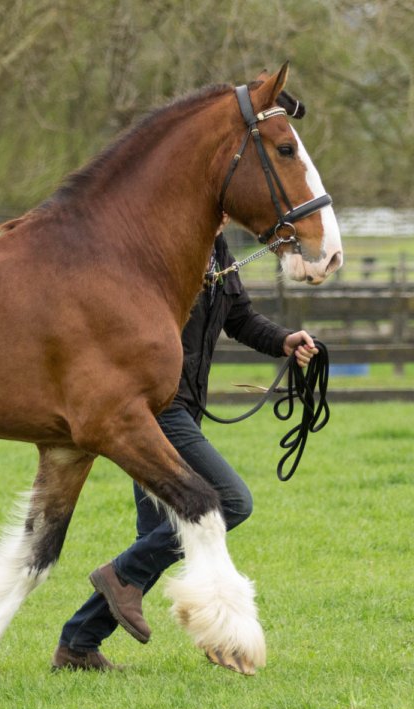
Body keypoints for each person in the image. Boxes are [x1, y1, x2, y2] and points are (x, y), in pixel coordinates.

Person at [52, 217, 319, 673]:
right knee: (230, 500)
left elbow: (239, 318)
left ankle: (77, 645)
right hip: (157, 411)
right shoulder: (163, 246)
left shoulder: (217, 251)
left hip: (186, 409)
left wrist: (283, 341)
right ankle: (121, 577)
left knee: (159, 536)